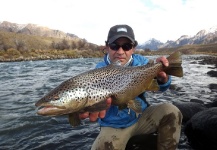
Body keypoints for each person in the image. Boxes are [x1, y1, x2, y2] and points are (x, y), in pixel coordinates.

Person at [79, 24, 183, 150]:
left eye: (126, 46)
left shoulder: (142, 63)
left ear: (133, 48)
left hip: (142, 117)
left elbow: (161, 87)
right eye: (114, 46)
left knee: (171, 111)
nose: (120, 51)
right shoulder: (99, 71)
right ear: (107, 47)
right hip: (114, 126)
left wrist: (163, 79)